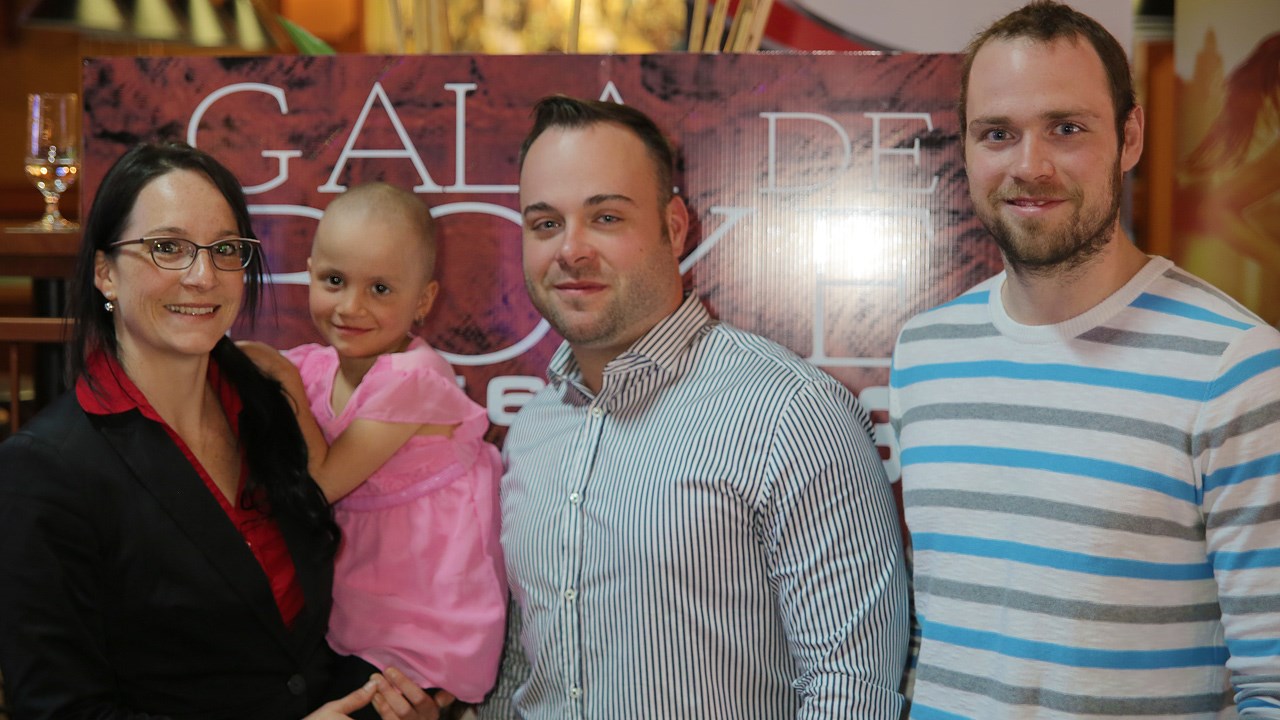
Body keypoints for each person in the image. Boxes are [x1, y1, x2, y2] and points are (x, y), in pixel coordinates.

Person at [888, 2, 1280, 718]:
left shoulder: (1238, 367)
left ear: (1129, 137)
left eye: (1066, 129)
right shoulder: (925, 352)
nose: (1028, 165)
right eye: (997, 133)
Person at [486, 95, 909, 718]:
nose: (570, 250)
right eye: (546, 224)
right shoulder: (531, 431)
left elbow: (852, 689)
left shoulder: (789, 414)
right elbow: (526, 675)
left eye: (606, 217)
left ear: (675, 226)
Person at [0, 141, 444, 720]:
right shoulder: (46, 468)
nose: (203, 276)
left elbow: (300, 649)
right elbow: (61, 711)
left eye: (225, 249)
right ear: (106, 273)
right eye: (168, 248)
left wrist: (389, 702)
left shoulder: (270, 400)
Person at [239, 182, 506, 719]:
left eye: (380, 289)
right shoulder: (315, 368)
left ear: (423, 300)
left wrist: (281, 378)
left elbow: (320, 484)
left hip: (421, 633)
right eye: (334, 280)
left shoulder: (415, 378)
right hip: (350, 613)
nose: (350, 306)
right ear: (310, 273)